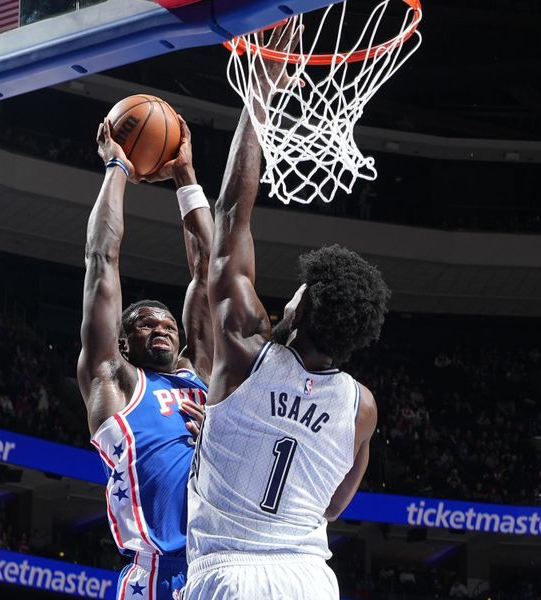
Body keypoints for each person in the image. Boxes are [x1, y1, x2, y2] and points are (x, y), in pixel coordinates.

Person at [183, 23, 390, 600]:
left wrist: (264, 89)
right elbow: (332, 505)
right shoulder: (362, 407)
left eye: (297, 293)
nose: (289, 296)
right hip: (308, 578)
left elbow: (232, 218)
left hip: (228, 570)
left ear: (300, 313)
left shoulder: (247, 351)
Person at [78, 114, 214, 599]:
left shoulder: (196, 375)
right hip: (159, 571)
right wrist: (116, 166)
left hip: (222, 563)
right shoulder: (114, 380)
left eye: (168, 325)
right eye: (146, 324)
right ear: (122, 342)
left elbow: (206, 270)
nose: (162, 327)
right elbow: (102, 260)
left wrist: (186, 178)